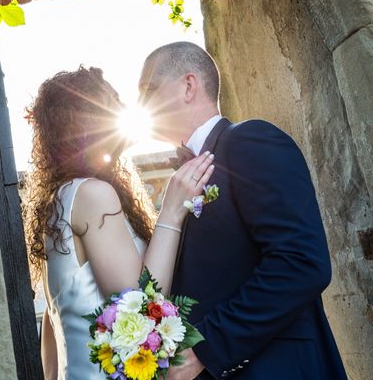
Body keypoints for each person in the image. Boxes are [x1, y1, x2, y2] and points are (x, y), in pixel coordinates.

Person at [138, 42, 347, 380]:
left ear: (188, 86)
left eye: (147, 90)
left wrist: (206, 348)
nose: (139, 104)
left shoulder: (250, 140)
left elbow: (301, 262)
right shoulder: (182, 181)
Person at [24, 66, 215, 380]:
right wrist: (171, 210)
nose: (125, 109)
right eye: (112, 101)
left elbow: (50, 320)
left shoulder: (62, 199)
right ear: (86, 120)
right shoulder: (91, 194)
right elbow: (138, 303)